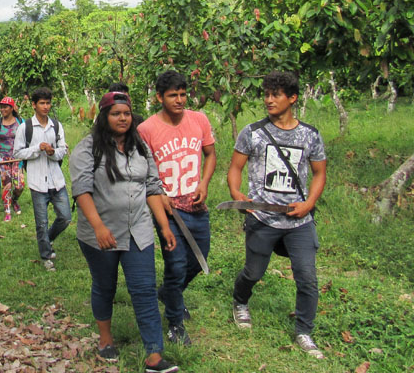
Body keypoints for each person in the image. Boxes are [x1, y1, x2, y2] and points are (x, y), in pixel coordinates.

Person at [70, 91, 179, 373]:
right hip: (101, 232)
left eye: (127, 113)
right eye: (116, 113)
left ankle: (154, 355)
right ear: (104, 116)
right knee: (105, 286)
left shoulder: (140, 146)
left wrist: (164, 226)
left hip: (138, 230)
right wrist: (98, 226)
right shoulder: (88, 148)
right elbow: (81, 190)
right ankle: (106, 339)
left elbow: (152, 187)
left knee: (144, 289)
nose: (123, 118)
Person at [228, 71, 327, 359]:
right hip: (262, 217)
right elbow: (235, 168)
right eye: (266, 94)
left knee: (307, 277)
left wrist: (309, 203)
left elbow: (319, 173)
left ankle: (304, 331)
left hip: (299, 220)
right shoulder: (253, 132)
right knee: (253, 272)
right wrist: (236, 193)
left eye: (276, 95)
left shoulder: (310, 135)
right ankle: (240, 301)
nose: (269, 100)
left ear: (292, 98)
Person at [137, 70, 216, 346]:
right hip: (168, 209)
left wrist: (204, 183)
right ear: (160, 97)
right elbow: (145, 172)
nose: (180, 100)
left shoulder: (199, 120)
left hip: (196, 205)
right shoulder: (146, 130)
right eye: (173, 95)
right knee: (176, 265)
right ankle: (175, 323)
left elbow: (210, 154)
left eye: (183, 94)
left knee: (199, 260)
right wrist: (159, 197)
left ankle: (170, 293)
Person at [13, 87, 71, 271]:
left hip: (56, 180)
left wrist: (53, 152)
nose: (46, 107)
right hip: (37, 182)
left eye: (48, 103)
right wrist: (38, 148)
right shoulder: (25, 128)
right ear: (34, 105)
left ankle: (48, 238)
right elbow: (17, 153)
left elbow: (63, 150)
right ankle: (46, 255)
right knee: (42, 222)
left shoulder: (56, 126)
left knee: (65, 217)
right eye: (42, 103)